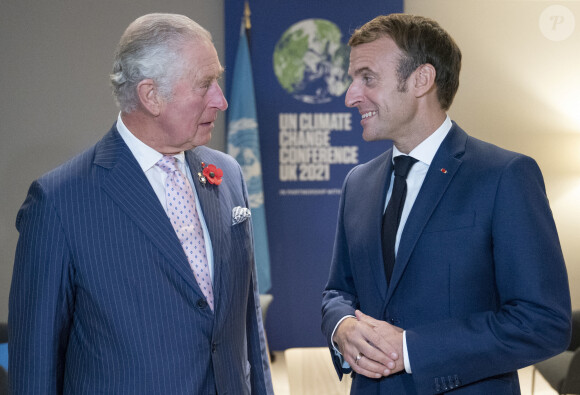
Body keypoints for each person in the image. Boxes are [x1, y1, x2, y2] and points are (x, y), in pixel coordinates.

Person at [9, 13, 273, 394]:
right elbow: (35, 369)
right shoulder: (59, 203)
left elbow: (248, 329)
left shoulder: (228, 174)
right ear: (151, 96)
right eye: (205, 84)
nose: (222, 99)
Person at [321, 13, 571, 394]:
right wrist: (342, 326)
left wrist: (411, 350)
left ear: (422, 80)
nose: (350, 95)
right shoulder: (358, 183)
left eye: (367, 77)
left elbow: (542, 323)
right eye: (353, 79)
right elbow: (338, 290)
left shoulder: (505, 176)